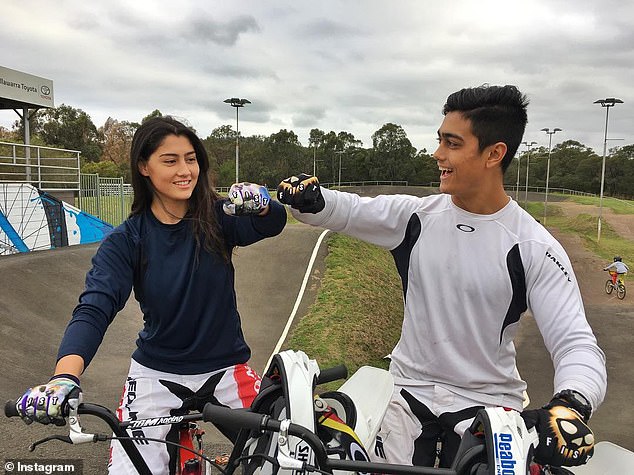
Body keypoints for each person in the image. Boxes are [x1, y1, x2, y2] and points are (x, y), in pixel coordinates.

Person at [277, 85, 606, 470]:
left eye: (452, 143)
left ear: (494, 153)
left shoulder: (534, 246)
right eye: (440, 141)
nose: (438, 155)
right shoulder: (416, 217)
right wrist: (313, 200)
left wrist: (572, 403)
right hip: (407, 395)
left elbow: (576, 344)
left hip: (488, 408)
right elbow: (349, 211)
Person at [13, 116, 287, 474]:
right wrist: (64, 377)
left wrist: (264, 203)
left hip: (227, 369)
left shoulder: (218, 216)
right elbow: (94, 308)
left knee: (288, 457)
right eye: (170, 161)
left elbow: (271, 223)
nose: (185, 170)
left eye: (191, 159)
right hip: (154, 375)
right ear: (144, 166)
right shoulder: (127, 239)